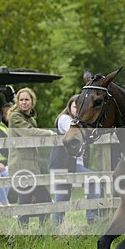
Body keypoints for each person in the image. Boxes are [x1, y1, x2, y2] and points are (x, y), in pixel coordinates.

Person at [48, 94, 101, 225]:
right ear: (69, 107)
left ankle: (57, 227)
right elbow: (74, 132)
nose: (77, 110)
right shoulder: (64, 119)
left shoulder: (80, 123)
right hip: (63, 164)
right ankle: (91, 217)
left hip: (72, 165)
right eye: (74, 107)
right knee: (91, 181)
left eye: (80, 107)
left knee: (62, 197)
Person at [8, 87, 54, 227]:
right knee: (26, 199)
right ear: (17, 101)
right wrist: (48, 133)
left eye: (27, 100)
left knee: (42, 198)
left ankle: (42, 228)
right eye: (21, 100)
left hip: (32, 165)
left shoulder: (30, 117)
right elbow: (28, 132)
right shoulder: (15, 117)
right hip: (20, 164)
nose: (24, 102)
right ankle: (24, 230)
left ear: (32, 101)